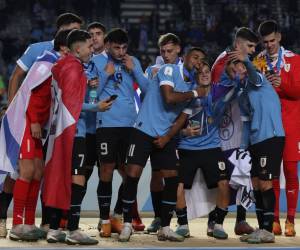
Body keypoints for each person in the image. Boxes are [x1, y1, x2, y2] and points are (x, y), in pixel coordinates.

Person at [0, 12, 83, 237]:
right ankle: (17, 224)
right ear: (65, 47)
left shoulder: (57, 63)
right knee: (25, 171)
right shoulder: (46, 60)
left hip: (41, 126)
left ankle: (29, 222)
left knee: (37, 172)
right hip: (29, 122)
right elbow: (32, 92)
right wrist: (31, 118)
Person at [118, 47, 205, 242]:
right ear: (185, 58)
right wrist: (194, 93)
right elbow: (169, 97)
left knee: (172, 179)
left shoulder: (194, 92)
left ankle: (165, 226)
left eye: (201, 60)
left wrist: (167, 138)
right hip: (142, 129)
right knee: (132, 175)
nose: (198, 61)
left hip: (164, 135)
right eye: (195, 57)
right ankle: (126, 224)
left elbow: (181, 120)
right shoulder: (170, 70)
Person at [155, 61, 239, 240]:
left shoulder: (218, 92)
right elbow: (171, 120)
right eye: (201, 72)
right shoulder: (187, 94)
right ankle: (183, 224)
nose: (205, 74)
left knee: (224, 184)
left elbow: (235, 84)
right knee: (177, 185)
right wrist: (184, 132)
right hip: (187, 148)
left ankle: (218, 223)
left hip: (212, 148)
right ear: (195, 76)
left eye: (207, 71)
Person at [41, 29, 98, 245]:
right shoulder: (74, 70)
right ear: (78, 48)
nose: (92, 50)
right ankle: (73, 229)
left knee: (60, 177)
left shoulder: (61, 67)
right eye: (89, 46)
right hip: (75, 132)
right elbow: (72, 106)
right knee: (77, 179)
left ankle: (55, 229)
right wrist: (97, 107)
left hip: (60, 132)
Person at [91, 28, 149, 238]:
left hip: (130, 124)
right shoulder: (97, 62)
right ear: (107, 45)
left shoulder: (132, 61)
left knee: (129, 173)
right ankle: (105, 219)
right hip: (106, 124)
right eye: (116, 47)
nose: (121, 51)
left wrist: (135, 71)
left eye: (124, 47)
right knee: (105, 170)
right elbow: (92, 95)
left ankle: (121, 217)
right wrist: (105, 75)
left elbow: (148, 89)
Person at [225, 49, 285, 243]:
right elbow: (247, 121)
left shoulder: (258, 79)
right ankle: (262, 228)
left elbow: (252, 73)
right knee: (257, 185)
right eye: (232, 73)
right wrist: (244, 148)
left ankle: (268, 230)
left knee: (266, 183)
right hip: (256, 141)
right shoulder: (243, 94)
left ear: (244, 66)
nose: (236, 75)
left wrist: (247, 62)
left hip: (271, 137)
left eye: (237, 69)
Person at [211, 27, 258, 235]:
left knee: (243, 174)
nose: (253, 51)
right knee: (228, 178)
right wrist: (235, 86)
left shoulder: (245, 62)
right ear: (238, 45)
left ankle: (240, 220)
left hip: (242, 127)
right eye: (249, 46)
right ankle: (214, 220)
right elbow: (215, 97)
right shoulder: (222, 62)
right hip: (225, 130)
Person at [256, 20, 300, 237]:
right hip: (269, 126)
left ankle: (290, 219)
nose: (269, 45)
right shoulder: (258, 62)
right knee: (270, 175)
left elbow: (298, 92)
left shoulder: (294, 59)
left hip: (291, 125)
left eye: (272, 41)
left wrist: (281, 83)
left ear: (279, 37)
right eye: (265, 42)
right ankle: (273, 219)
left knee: (291, 171)